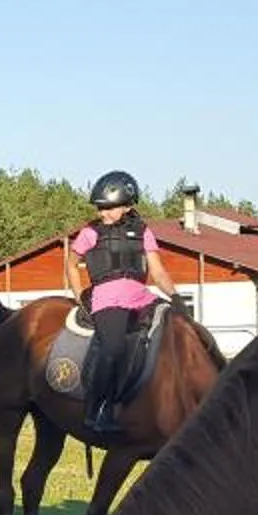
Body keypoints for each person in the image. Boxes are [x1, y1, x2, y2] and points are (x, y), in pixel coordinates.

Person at [62, 170, 180, 433]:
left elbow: (158, 271)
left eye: (109, 208)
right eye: (100, 209)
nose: (103, 213)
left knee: (182, 328)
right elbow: (71, 265)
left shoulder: (143, 232)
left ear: (127, 206)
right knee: (113, 348)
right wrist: (80, 294)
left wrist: (176, 297)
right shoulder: (90, 232)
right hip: (107, 298)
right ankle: (97, 407)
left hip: (141, 296)